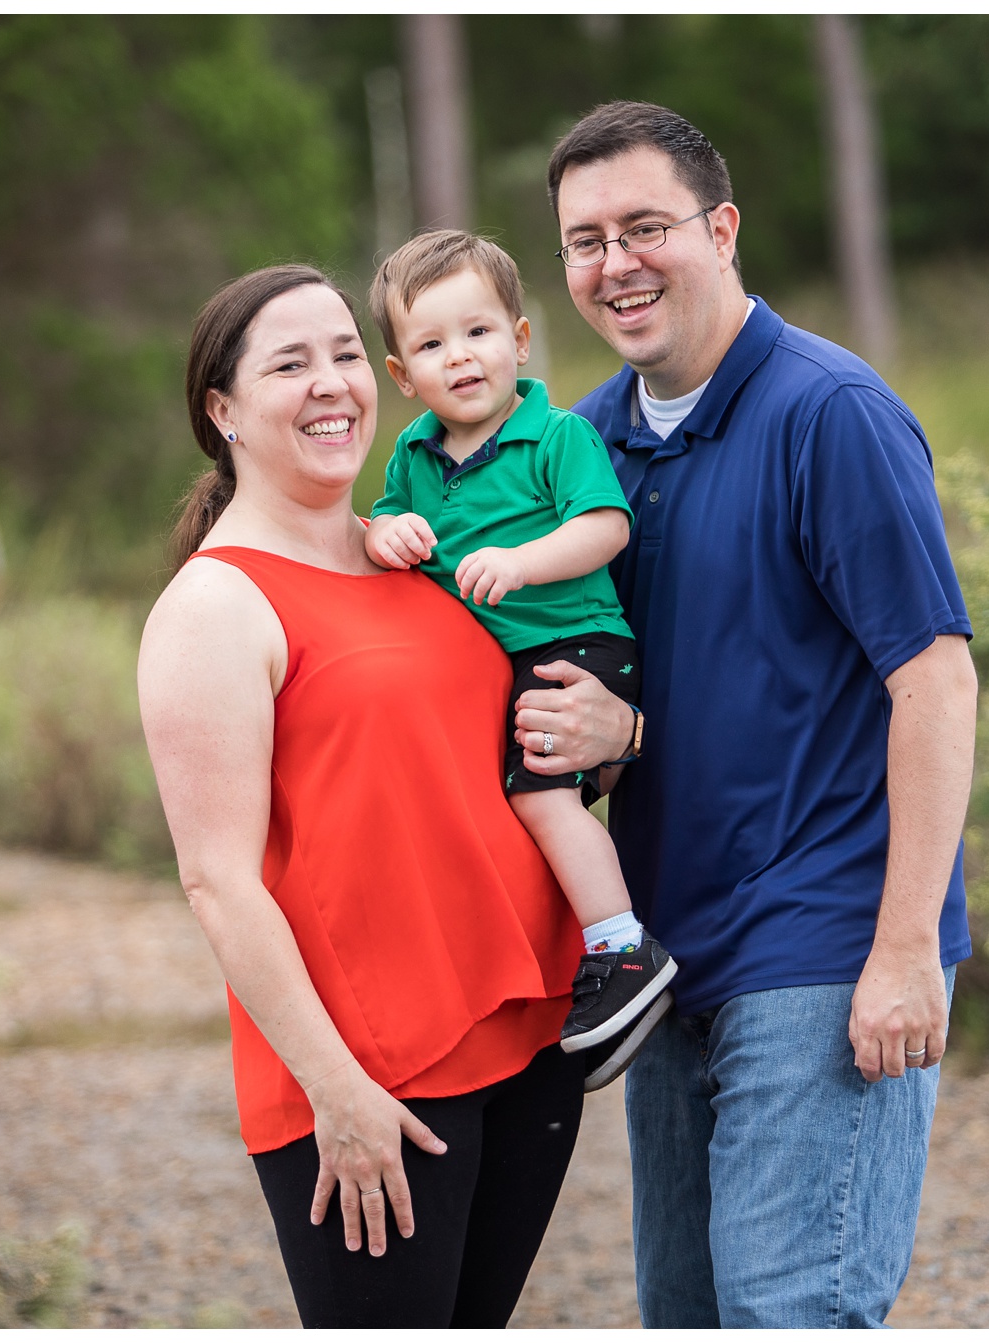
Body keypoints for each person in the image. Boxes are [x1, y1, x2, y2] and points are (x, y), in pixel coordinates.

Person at [513, 102, 979, 1328]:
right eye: (583, 240)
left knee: (789, 1310)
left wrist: (903, 950)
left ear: (720, 229)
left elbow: (932, 681)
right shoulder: (584, 448)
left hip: (819, 946)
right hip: (665, 953)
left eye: (645, 226)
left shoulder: (829, 413)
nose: (614, 263)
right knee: (688, 1310)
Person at [137, 264, 587, 1328]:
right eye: (289, 364)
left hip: (524, 1041)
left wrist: (620, 728)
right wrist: (336, 1090)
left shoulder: (416, 548)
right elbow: (218, 882)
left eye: (344, 353)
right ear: (223, 409)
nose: (331, 383)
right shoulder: (214, 605)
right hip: (372, 1082)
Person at [362, 229, 676, 1087]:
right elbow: (381, 528)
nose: (460, 358)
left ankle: (623, 949)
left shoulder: (558, 436)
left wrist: (523, 560)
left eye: (478, 333)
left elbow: (606, 526)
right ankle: (545, 966)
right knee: (504, 809)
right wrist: (387, 529)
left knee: (539, 801)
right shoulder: (412, 458)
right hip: (501, 672)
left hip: (575, 645)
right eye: (431, 345)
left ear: (520, 338)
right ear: (401, 376)